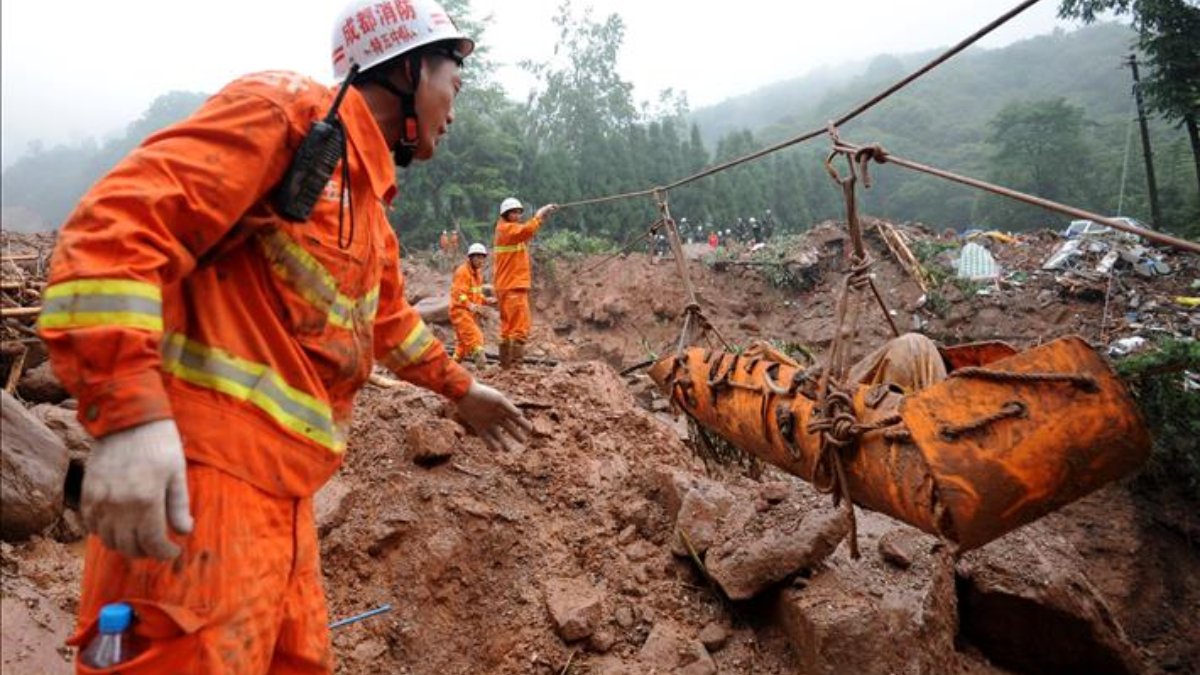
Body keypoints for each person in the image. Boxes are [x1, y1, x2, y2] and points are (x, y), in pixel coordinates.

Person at [36, 1, 530, 672]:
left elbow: (389, 323)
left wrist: (463, 389)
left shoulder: (366, 206)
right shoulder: (286, 118)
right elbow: (113, 229)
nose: (459, 97)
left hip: (288, 509)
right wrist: (127, 417)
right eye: (455, 76)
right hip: (203, 490)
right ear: (408, 68)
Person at [493, 197, 558, 369]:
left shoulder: (505, 229)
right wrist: (539, 214)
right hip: (513, 286)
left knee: (507, 328)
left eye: (518, 212)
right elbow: (527, 230)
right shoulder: (508, 230)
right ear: (505, 214)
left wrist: (541, 217)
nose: (517, 215)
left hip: (504, 286)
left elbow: (526, 232)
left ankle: (505, 366)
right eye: (513, 212)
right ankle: (516, 366)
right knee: (520, 327)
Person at [450, 243, 494, 368]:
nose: (480, 260)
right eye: (477, 257)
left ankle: (451, 367)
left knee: (462, 345)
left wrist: (486, 301)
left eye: (482, 257)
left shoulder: (478, 274)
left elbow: (476, 293)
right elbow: (459, 293)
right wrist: (469, 305)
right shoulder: (462, 272)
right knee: (476, 337)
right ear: (470, 257)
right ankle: (483, 367)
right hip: (460, 311)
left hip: (469, 312)